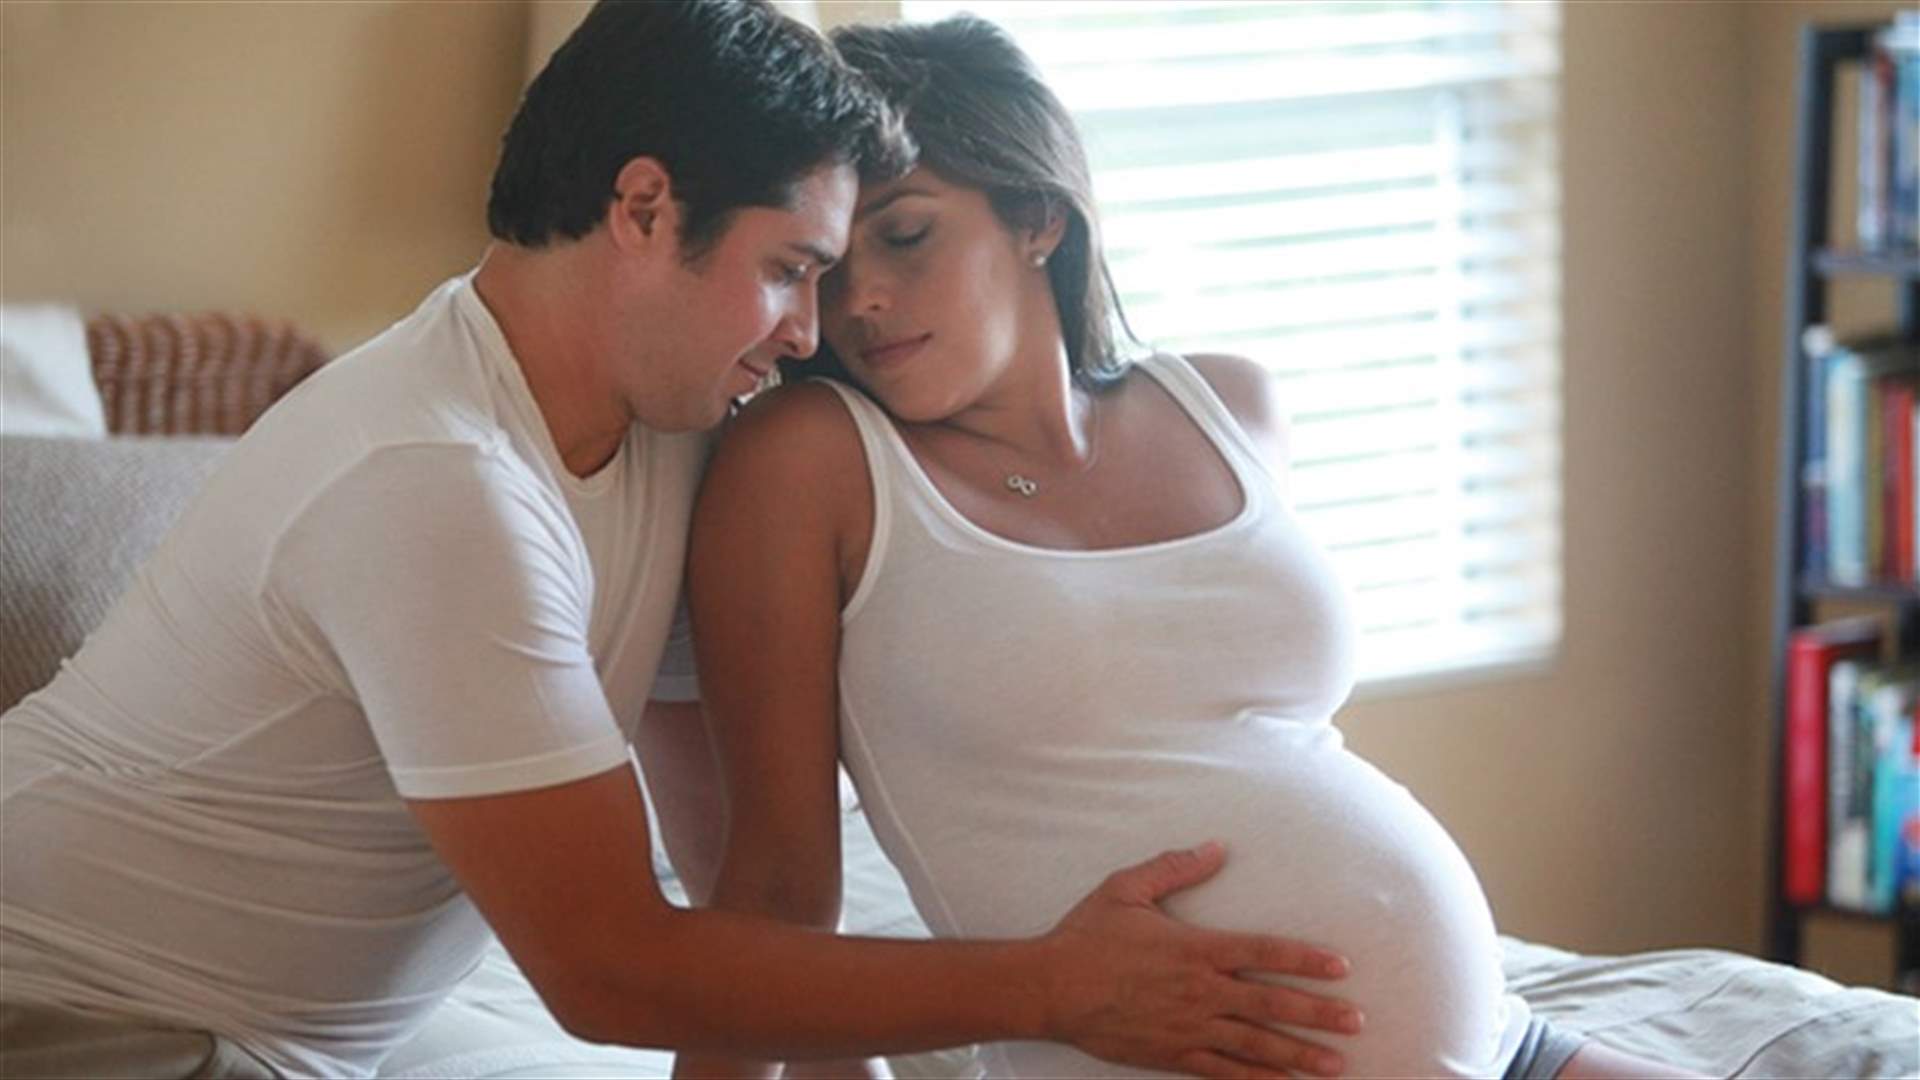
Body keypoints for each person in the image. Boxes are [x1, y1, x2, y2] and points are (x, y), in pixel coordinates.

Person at [0, 4, 1364, 1078]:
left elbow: (745, 893)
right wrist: (1053, 986)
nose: (816, 331)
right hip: (83, 1008)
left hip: (311, 1025)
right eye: (791, 270)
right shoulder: (433, 481)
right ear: (645, 209)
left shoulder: (669, 419)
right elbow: (613, 973)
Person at [678, 15, 1703, 1080]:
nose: (860, 301)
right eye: (827, 266)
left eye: (904, 235)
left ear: (1037, 216)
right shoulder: (811, 461)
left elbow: (1252, 757)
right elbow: (775, 894)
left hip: (1509, 1046)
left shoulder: (1226, 404)